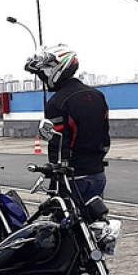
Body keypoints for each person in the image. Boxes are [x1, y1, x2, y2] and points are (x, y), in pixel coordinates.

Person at [25, 44, 111, 205]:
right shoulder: (98, 96)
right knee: (94, 223)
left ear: (56, 69)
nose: (43, 79)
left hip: (71, 178)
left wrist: (54, 172)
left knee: (65, 226)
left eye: (43, 73)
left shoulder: (57, 103)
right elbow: (105, 137)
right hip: (97, 173)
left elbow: (57, 144)